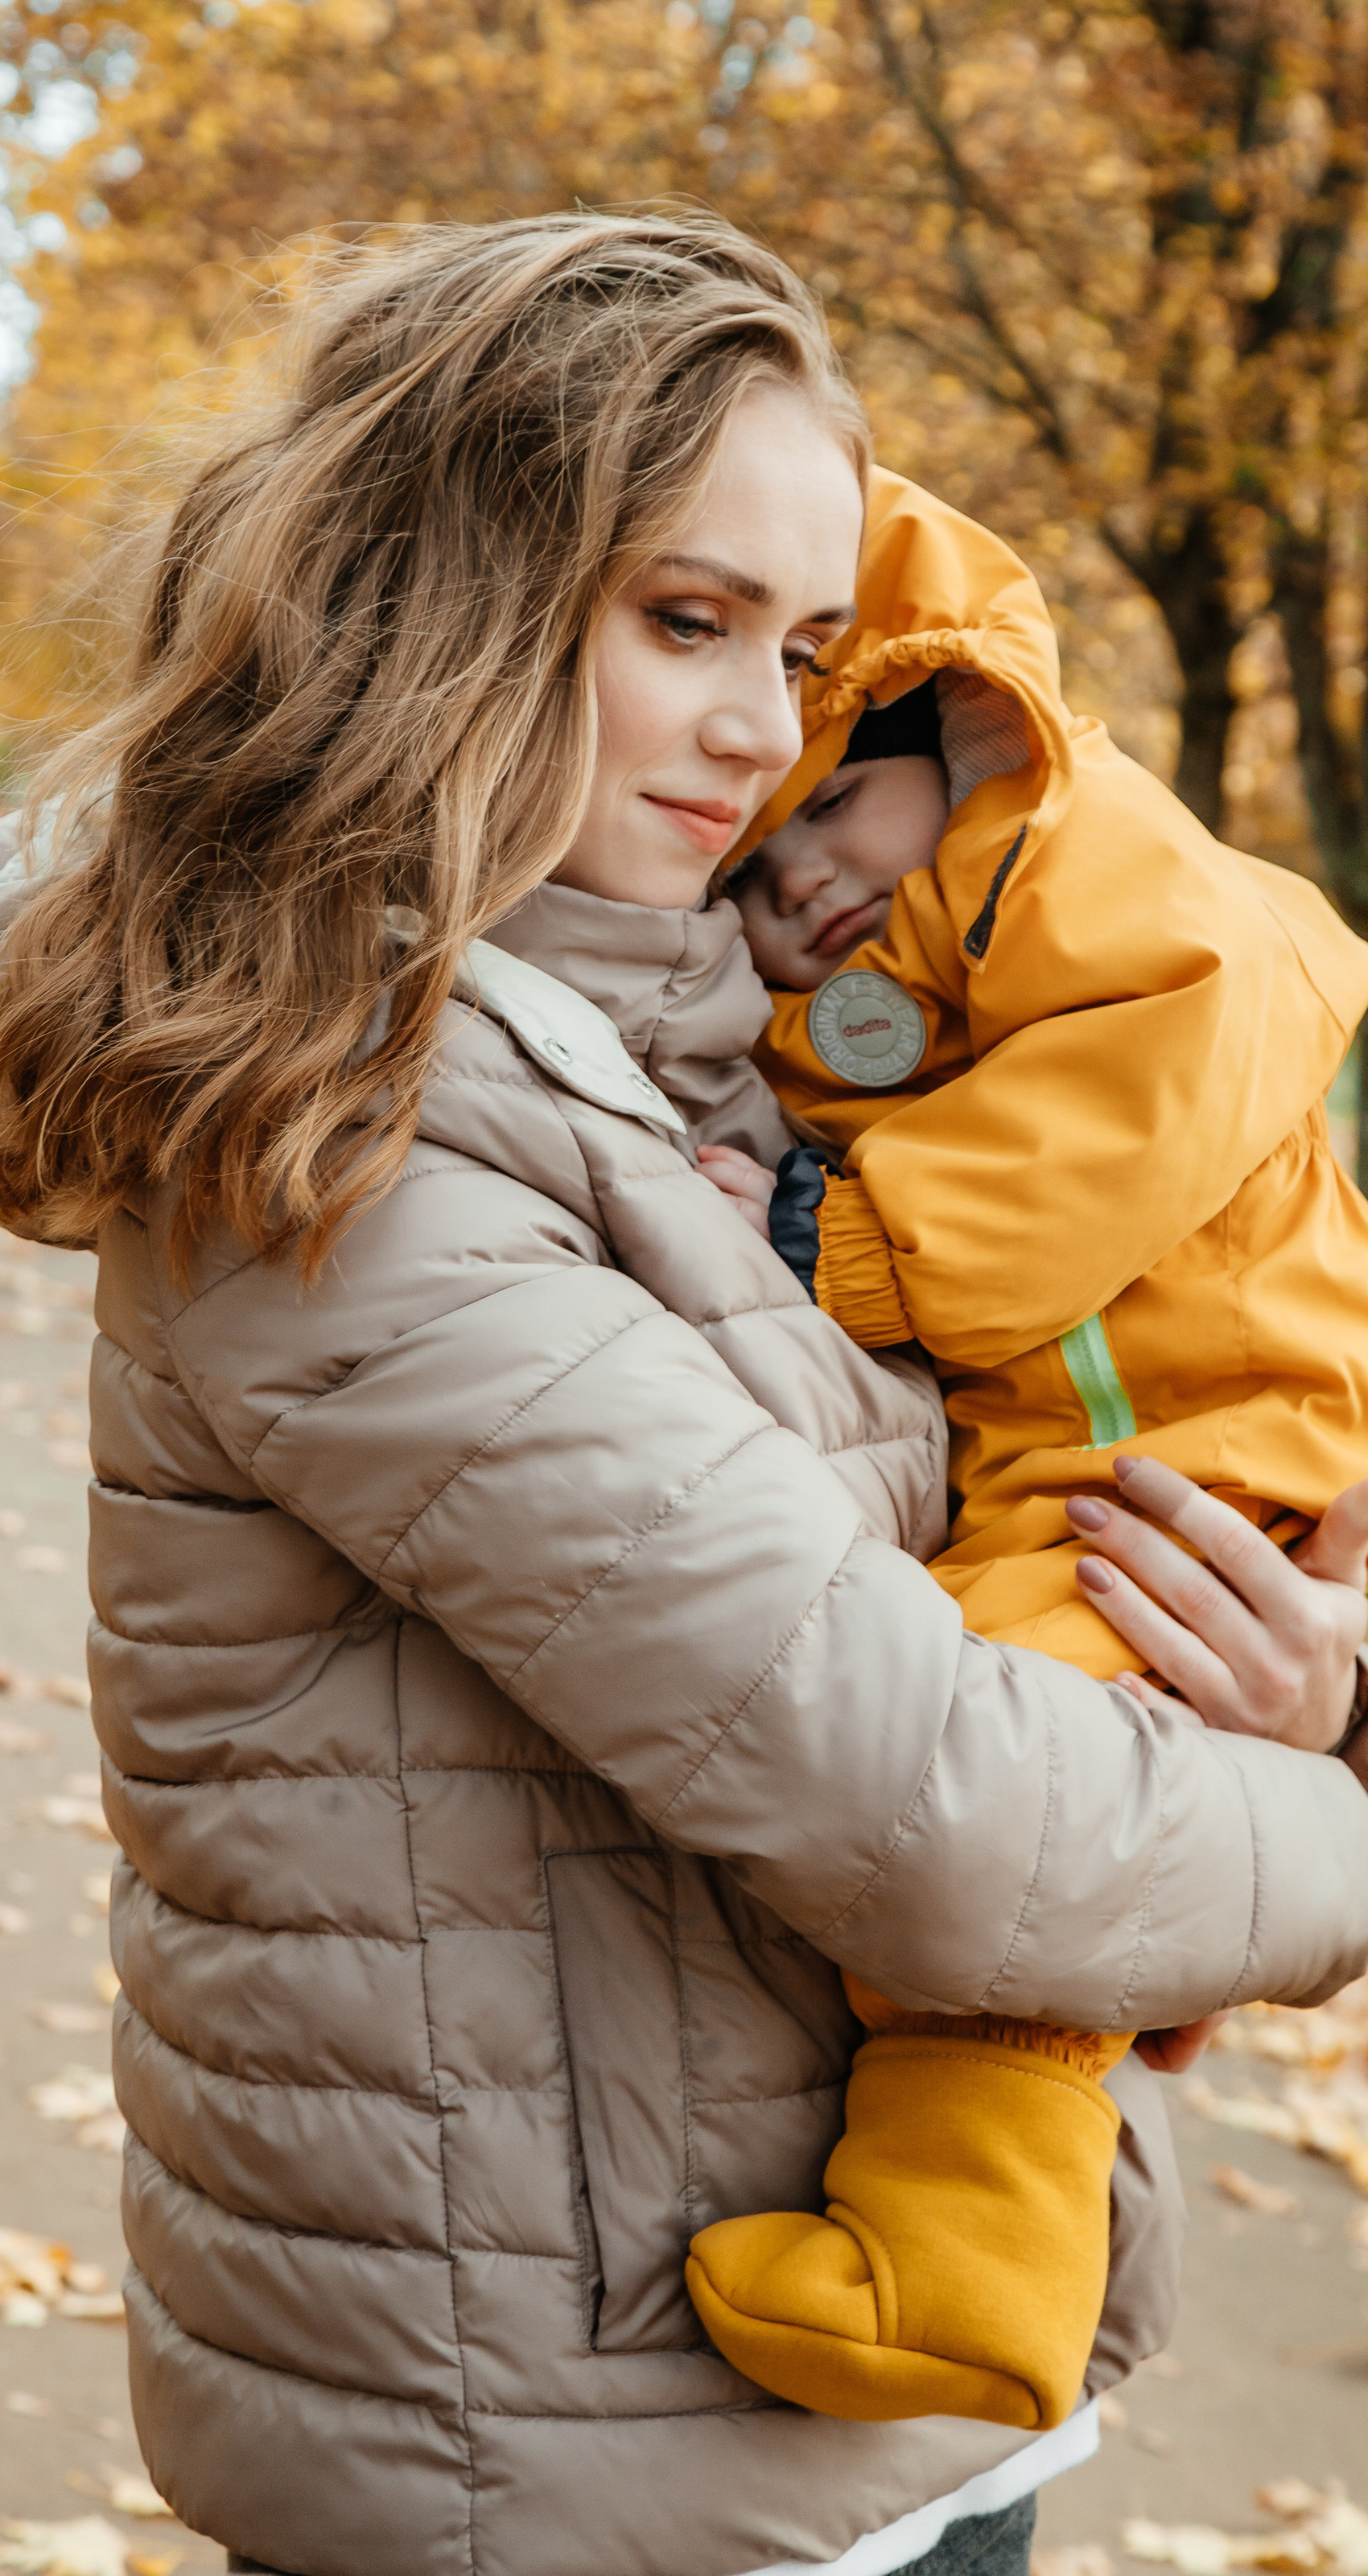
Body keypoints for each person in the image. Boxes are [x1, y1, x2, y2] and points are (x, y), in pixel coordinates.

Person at [0, 215, 1368, 2576]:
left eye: (797, 649)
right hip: (588, 2447)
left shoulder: (722, 1054)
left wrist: (1314, 1679)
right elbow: (946, 1806)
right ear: (443, 596)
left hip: (847, 2391)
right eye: (683, 622)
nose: (768, 726)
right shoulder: (338, 1147)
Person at [686, 475, 1368, 2434]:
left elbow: (1196, 1025)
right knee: (1055, 1807)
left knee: (1007, 1812)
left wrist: (842, 1233)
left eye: (838, 804)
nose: (799, 877)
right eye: (750, 866)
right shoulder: (916, 969)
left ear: (961, 733)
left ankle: (962, 2274)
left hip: (1198, 1450)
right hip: (1104, 1450)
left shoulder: (1081, 864)